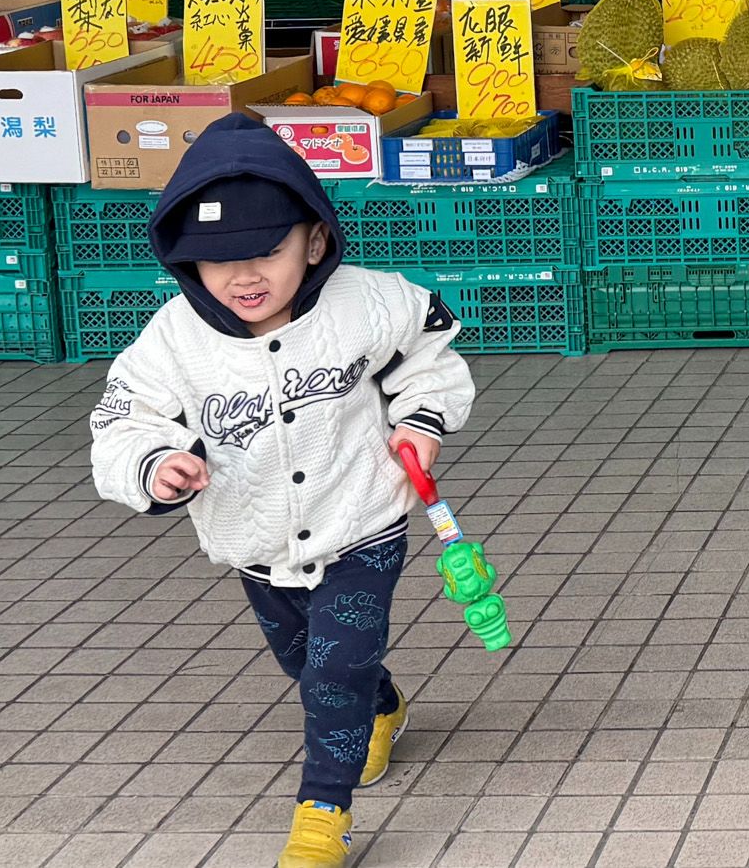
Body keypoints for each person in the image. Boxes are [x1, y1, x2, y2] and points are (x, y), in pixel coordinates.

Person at [87, 114, 477, 868]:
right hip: (256, 538)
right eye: (216, 261)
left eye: (267, 250)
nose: (244, 276)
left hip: (362, 517)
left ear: (315, 239)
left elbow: (430, 344)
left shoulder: (367, 301)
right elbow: (120, 419)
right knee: (307, 657)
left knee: (333, 669)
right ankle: (383, 706)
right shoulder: (172, 339)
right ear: (183, 261)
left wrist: (421, 421)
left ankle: (322, 814)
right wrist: (155, 464)